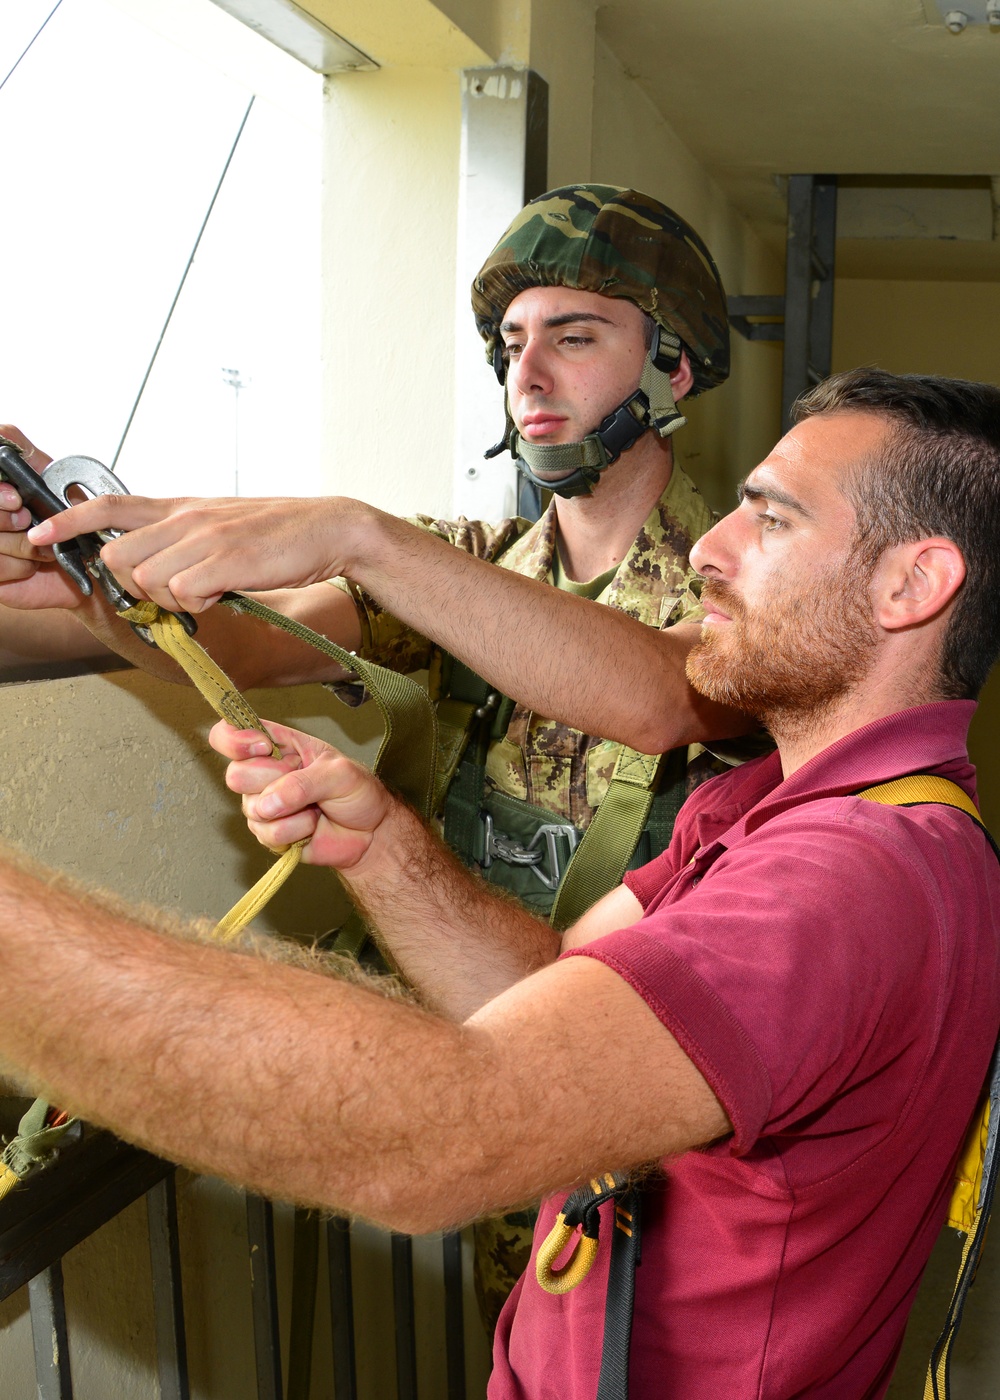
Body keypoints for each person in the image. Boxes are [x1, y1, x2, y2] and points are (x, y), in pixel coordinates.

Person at [0, 366, 998, 1397]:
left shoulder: (842, 878)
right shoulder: (773, 808)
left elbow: (429, 1135)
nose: (707, 547)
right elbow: (560, 985)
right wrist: (382, 846)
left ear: (910, 585)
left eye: (772, 520)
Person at [0, 184, 749, 1321]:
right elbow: (247, 641)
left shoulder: (746, 576)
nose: (529, 375)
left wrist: (361, 529)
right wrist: (92, 568)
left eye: (576, 336)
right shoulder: (475, 561)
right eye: (511, 343)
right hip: (477, 1060)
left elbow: (670, 696)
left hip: (650, 1107)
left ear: (675, 366)